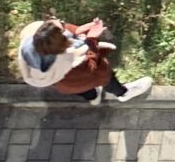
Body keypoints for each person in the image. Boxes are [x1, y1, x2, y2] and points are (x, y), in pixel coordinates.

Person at [15, 15, 153, 102]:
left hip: (66, 85)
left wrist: (80, 30)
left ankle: (93, 97)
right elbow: (91, 66)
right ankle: (123, 93)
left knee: (84, 91)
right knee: (106, 79)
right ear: (63, 42)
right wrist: (92, 39)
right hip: (80, 78)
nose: (63, 23)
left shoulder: (36, 45)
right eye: (62, 26)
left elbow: (66, 36)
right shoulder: (71, 63)